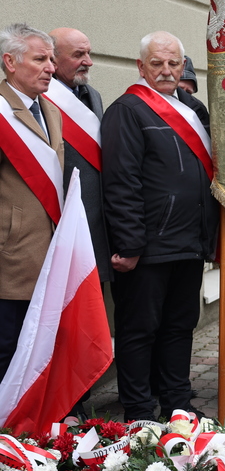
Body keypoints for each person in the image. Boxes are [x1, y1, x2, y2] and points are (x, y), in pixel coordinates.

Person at [101, 31, 218, 421]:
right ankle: (138, 411)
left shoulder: (193, 109)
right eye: (157, 63)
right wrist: (130, 244)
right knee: (139, 331)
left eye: (173, 63)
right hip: (148, 247)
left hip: (189, 242)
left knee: (180, 328)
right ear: (141, 67)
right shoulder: (127, 110)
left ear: (183, 66)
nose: (166, 70)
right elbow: (121, 181)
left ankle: (177, 405)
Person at [46, 27, 111, 419]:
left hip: (95, 232)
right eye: (78, 55)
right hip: (60, 232)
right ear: (53, 60)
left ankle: (83, 396)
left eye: (89, 53)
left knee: (88, 319)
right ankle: (64, 403)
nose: (88, 62)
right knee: (61, 323)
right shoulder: (44, 98)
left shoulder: (93, 95)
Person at [0, 23, 64, 384]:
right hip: (12, 260)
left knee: (43, 349)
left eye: (51, 60)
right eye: (40, 59)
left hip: (51, 253)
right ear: (10, 62)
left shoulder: (50, 110)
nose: (51, 68)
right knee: (9, 348)